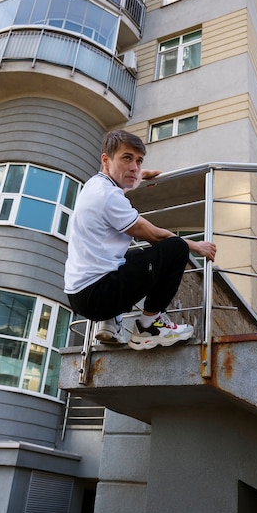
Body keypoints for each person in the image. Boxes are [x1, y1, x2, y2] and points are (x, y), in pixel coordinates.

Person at [64, 129, 216, 350]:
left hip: (79, 294)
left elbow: (118, 188)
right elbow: (155, 235)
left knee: (129, 257)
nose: (134, 167)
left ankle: (110, 322)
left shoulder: (95, 185)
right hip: (97, 295)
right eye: (127, 158)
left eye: (139, 161)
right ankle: (148, 326)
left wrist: (141, 176)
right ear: (106, 160)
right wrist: (196, 246)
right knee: (175, 248)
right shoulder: (108, 196)